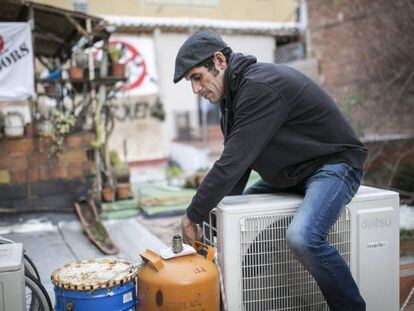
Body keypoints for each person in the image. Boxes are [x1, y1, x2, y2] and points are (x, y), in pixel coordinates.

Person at [173, 31, 367, 311]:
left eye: (197, 77)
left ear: (219, 61)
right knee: (242, 226)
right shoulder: (230, 101)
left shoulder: (260, 87)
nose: (195, 89)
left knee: (302, 238)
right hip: (294, 175)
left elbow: (234, 161)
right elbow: (239, 168)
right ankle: (237, 302)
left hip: (334, 166)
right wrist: (215, 220)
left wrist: (193, 215)